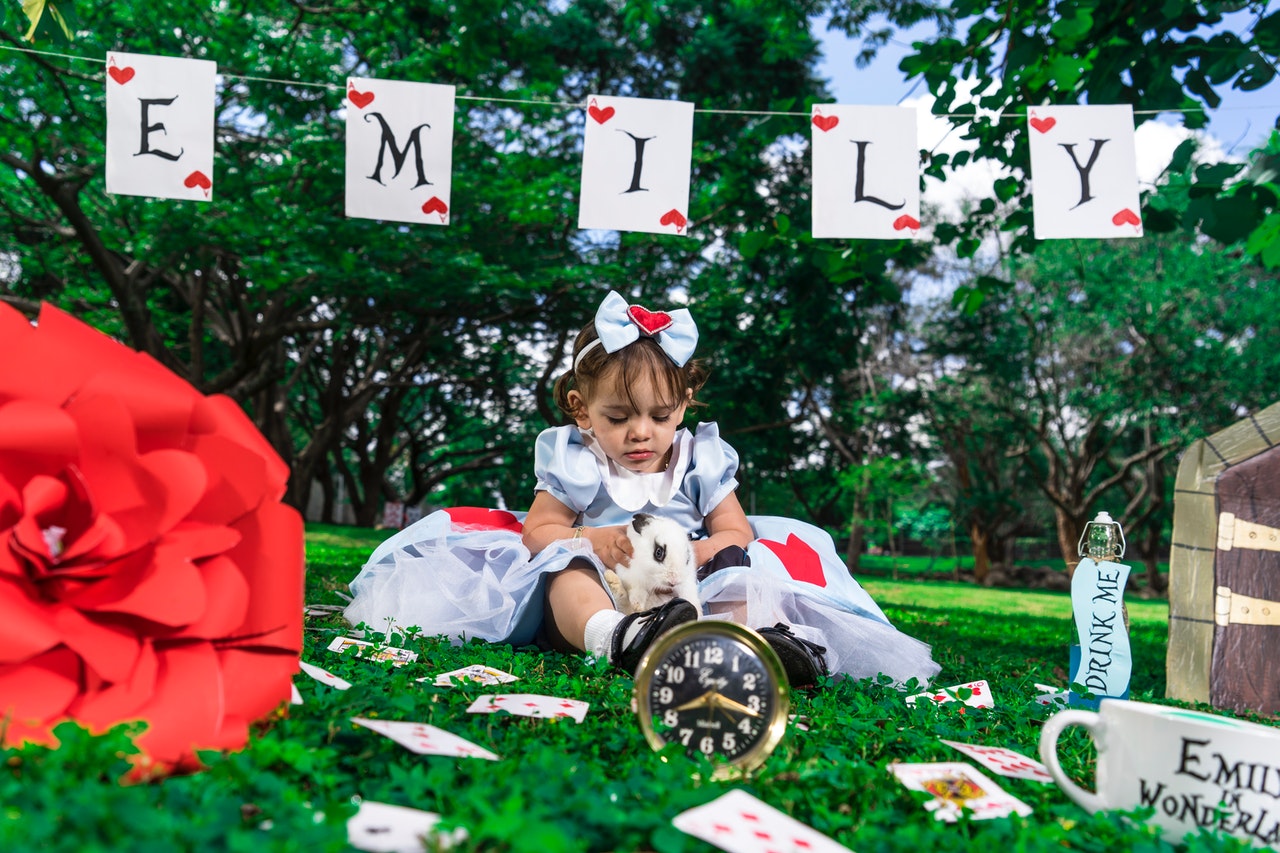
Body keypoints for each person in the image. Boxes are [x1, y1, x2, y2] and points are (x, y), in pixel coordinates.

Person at [344, 291, 939, 688]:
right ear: (582, 411)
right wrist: (590, 538)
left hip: (688, 584)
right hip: (607, 584)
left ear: (683, 405)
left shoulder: (699, 457)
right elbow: (537, 532)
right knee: (565, 573)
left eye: (659, 414)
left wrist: (706, 549)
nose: (640, 432)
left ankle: (760, 644)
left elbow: (736, 528)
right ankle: (616, 639)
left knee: (737, 574)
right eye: (619, 416)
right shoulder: (575, 459)